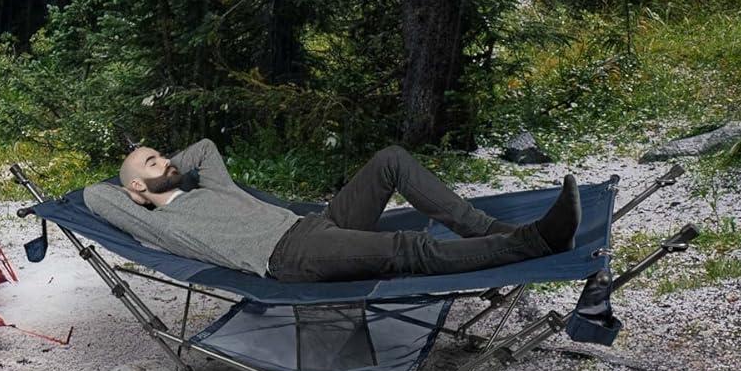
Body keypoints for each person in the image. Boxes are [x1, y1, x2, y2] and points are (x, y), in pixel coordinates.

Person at [83, 138, 580, 282]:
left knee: (390, 160)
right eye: (153, 161)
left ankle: (490, 229)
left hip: (316, 225)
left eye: (162, 155)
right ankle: (536, 241)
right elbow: (92, 195)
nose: (167, 161)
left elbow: (205, 148)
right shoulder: (162, 223)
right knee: (407, 248)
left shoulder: (208, 185)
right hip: (290, 255)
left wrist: (164, 168)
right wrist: (138, 190)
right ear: (133, 185)